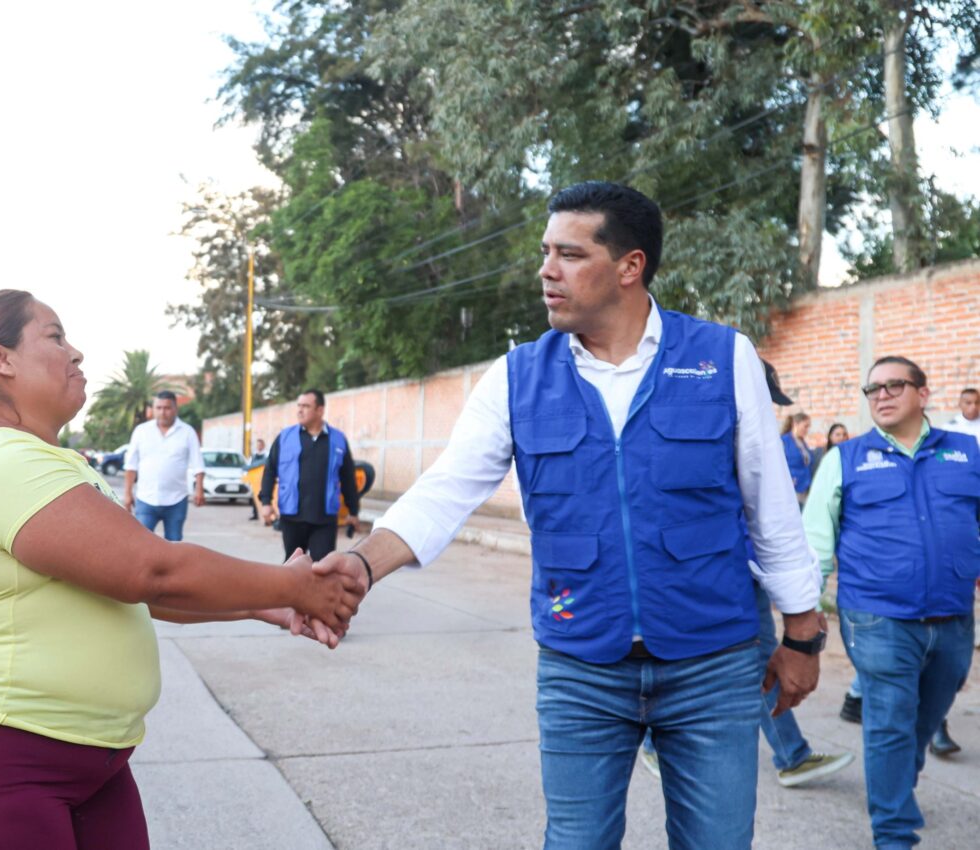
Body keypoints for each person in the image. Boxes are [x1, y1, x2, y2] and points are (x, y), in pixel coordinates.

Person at [312, 181, 824, 850]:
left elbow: (771, 509)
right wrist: (358, 564)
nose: (546, 271)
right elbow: (445, 491)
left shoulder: (721, 359)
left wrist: (802, 636)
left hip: (712, 666)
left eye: (569, 254)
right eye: (545, 253)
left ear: (629, 267)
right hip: (582, 668)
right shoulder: (517, 375)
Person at [0, 290, 365, 850]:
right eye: (55, 336)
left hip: (89, 761)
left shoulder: (56, 463)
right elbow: (153, 570)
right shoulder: (6, 461)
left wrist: (267, 605)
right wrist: (296, 585)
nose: (77, 353)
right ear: (2, 359)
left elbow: (136, 591)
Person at [639, 366, 853, 789]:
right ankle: (787, 754)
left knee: (751, 660)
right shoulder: (705, 440)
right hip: (717, 569)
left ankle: (790, 753)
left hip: (744, 568)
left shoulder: (752, 442)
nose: (771, 410)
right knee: (740, 659)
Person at [803, 355, 977, 850]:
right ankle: (895, 835)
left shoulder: (967, 452)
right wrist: (808, 611)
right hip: (878, 618)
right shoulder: (846, 458)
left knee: (926, 718)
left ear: (923, 394)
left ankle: (896, 784)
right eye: (872, 388)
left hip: (953, 617)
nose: (880, 394)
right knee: (889, 724)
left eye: (894, 385)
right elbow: (817, 540)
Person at [259, 390, 360, 561]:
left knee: (322, 568)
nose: (300, 410)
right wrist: (266, 502)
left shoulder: (337, 439)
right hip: (292, 517)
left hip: (324, 519)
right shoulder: (285, 438)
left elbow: (348, 477)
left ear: (320, 410)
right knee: (292, 566)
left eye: (306, 406)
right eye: (299, 406)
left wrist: (353, 510)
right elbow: (269, 470)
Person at [122, 390, 204, 542]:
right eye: (158, 408)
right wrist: (128, 493)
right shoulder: (141, 431)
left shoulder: (187, 432)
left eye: (167, 408)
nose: (162, 412)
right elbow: (131, 465)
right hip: (146, 500)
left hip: (176, 500)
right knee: (141, 544)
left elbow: (198, 464)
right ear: (153, 409)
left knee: (174, 545)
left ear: (175, 409)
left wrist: (199, 489)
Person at [780, 411, 814, 500]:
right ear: (796, 424)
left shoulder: (803, 443)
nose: (807, 430)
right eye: (805, 426)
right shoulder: (784, 441)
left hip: (805, 487)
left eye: (808, 427)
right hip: (791, 488)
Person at [249, 438, 268, 521]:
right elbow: (249, 466)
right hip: (255, 480)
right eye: (257, 445)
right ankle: (255, 514)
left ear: (263, 445)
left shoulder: (267, 455)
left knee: (263, 497)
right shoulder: (253, 455)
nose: (258, 446)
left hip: (263, 479)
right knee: (255, 497)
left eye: (260, 445)